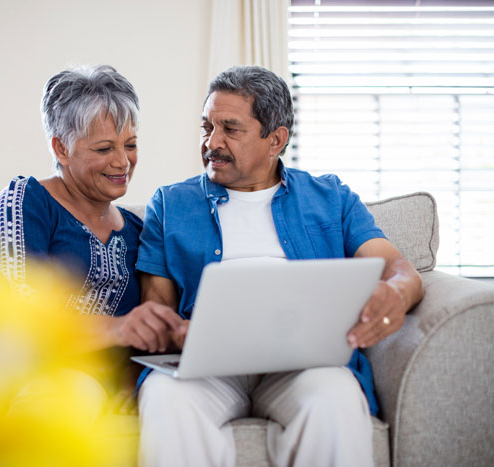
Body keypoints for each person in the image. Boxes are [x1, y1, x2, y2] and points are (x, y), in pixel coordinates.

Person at [135, 66, 424, 467]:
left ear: (276, 140)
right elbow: (157, 307)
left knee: (335, 401)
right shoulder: (169, 204)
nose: (211, 143)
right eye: (207, 127)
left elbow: (400, 270)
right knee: (165, 398)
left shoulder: (330, 197)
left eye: (230, 130)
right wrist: (172, 330)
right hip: (206, 368)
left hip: (305, 364)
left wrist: (396, 292)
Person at [0, 65, 186, 417]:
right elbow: (13, 320)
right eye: (103, 148)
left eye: (130, 145)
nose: (122, 161)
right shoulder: (25, 202)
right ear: (61, 148)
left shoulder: (136, 229)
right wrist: (117, 328)